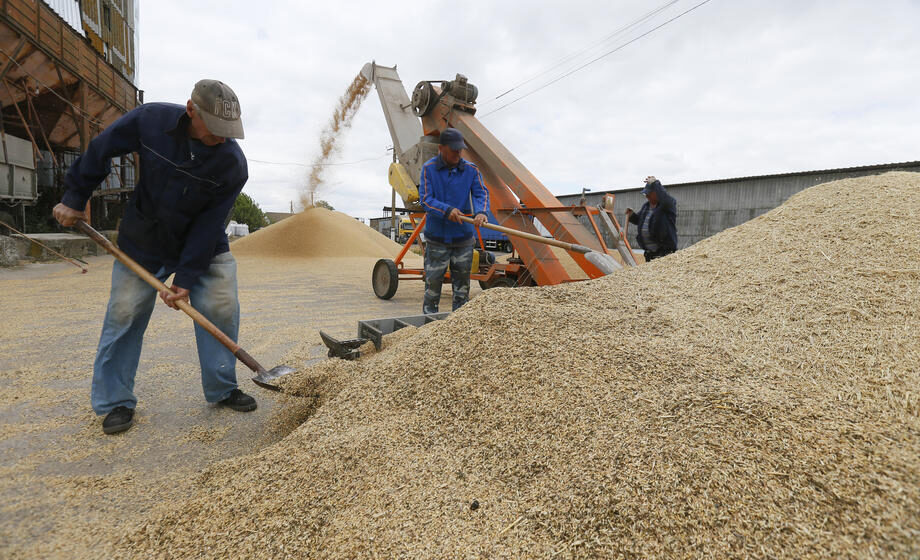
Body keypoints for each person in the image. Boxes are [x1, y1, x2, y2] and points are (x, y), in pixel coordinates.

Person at [52, 79, 256, 435]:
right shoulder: (151, 120)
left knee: (222, 306)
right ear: (191, 110)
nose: (223, 139)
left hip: (203, 245)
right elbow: (101, 149)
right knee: (125, 313)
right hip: (145, 238)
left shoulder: (232, 164)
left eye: (229, 132)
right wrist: (75, 196)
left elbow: (210, 224)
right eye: (216, 129)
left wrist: (186, 280)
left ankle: (223, 389)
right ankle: (115, 401)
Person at [419, 128, 489, 314]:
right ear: (441, 148)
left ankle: (458, 330)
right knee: (432, 289)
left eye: (460, 149)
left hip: (463, 240)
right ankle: (429, 326)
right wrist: (446, 210)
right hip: (437, 240)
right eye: (454, 150)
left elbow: (481, 192)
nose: (458, 153)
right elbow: (426, 199)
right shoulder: (429, 169)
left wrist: (481, 212)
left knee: (461, 292)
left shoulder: (471, 170)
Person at [625, 175, 678, 261]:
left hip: (664, 253)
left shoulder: (667, 205)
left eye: (649, 193)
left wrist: (656, 183)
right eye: (646, 193)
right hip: (650, 253)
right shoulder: (646, 206)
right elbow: (639, 221)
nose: (647, 196)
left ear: (656, 192)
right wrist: (631, 215)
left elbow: (665, 198)